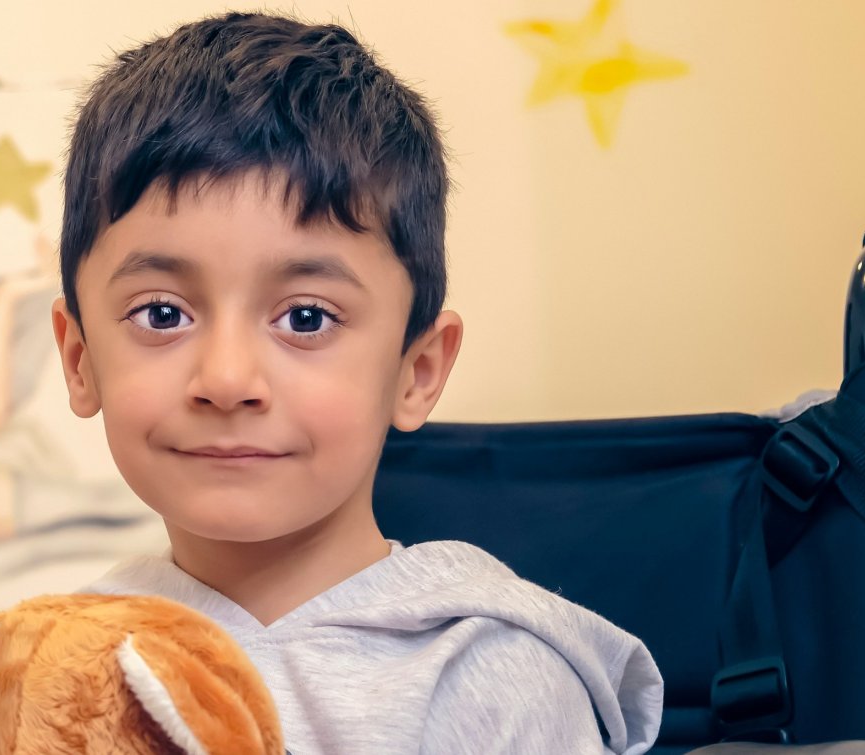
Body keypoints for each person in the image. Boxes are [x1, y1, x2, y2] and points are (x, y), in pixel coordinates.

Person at [50, 13, 665, 753]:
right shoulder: (63, 667)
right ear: (80, 358)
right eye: (162, 313)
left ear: (418, 371)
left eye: (306, 317)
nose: (226, 379)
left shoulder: (494, 678)